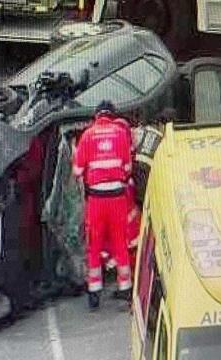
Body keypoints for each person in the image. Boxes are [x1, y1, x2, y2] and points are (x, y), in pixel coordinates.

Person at [73, 101, 133, 310]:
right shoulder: (120, 134)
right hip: (117, 197)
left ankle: (94, 293)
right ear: (112, 116)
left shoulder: (88, 135)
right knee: (120, 243)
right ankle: (125, 289)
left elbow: (78, 170)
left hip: (96, 200)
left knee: (94, 245)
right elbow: (127, 167)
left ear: (96, 116)